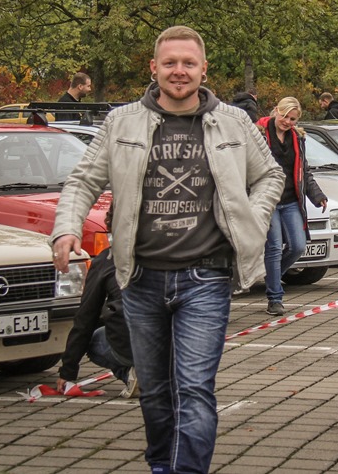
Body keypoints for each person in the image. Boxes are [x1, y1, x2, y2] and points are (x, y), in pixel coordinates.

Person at [51, 26, 284, 474]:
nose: (180, 71)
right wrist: (66, 229)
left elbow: (270, 175)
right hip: (139, 279)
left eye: (189, 63)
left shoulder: (233, 122)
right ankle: (162, 465)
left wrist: (252, 219)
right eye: (171, 63)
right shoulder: (122, 122)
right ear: (154, 67)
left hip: (206, 278)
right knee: (155, 390)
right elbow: (82, 181)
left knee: (194, 388)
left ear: (203, 69)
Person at [257, 97, 328, 316]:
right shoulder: (257, 134)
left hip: (290, 200)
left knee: (298, 245)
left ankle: (270, 275)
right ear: (276, 110)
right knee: (274, 246)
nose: (287, 121)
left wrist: (317, 196)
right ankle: (274, 298)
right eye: (284, 116)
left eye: (292, 119)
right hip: (268, 200)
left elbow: (303, 172)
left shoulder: (298, 139)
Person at [57, 230, 137, 397]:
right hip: (176, 339)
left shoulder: (107, 259)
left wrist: (68, 371)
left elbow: (86, 317)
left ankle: (133, 375)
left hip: (131, 339)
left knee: (94, 340)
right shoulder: (170, 251)